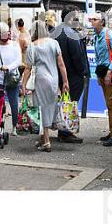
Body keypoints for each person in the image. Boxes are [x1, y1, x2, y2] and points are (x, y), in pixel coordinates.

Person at [21, 21, 69, 152]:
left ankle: (47, 141)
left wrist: (23, 84)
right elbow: (61, 65)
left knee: (43, 109)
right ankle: (43, 138)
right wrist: (65, 81)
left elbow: (28, 68)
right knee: (50, 106)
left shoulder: (32, 46)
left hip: (41, 79)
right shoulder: (54, 43)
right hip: (54, 79)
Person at [52, 5, 88, 144]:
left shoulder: (54, 31)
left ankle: (63, 129)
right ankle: (66, 131)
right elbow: (77, 57)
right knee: (70, 103)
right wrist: (81, 73)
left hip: (58, 73)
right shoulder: (71, 34)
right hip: (72, 75)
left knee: (62, 103)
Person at [90, 12, 112, 147]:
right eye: (91, 19)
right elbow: (98, 57)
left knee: (111, 105)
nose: (92, 21)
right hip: (102, 72)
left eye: (95, 19)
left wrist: (109, 72)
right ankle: (111, 131)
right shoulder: (97, 36)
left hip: (110, 74)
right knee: (109, 105)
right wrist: (98, 75)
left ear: (102, 22)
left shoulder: (109, 34)